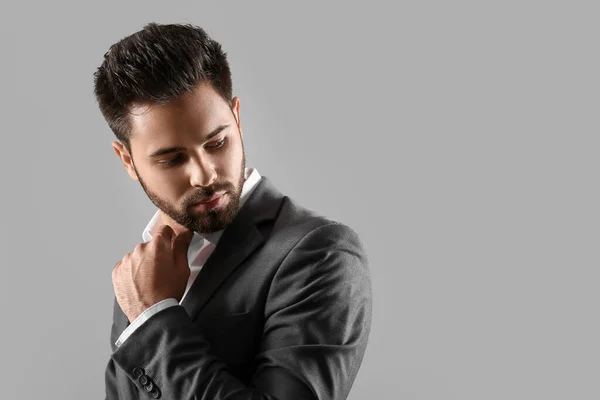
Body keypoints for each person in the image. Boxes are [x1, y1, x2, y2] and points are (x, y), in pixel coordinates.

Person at [93, 22, 372, 400]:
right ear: (127, 160)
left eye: (217, 142)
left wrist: (153, 320)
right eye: (172, 159)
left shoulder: (320, 252)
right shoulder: (140, 277)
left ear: (237, 118)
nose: (205, 175)